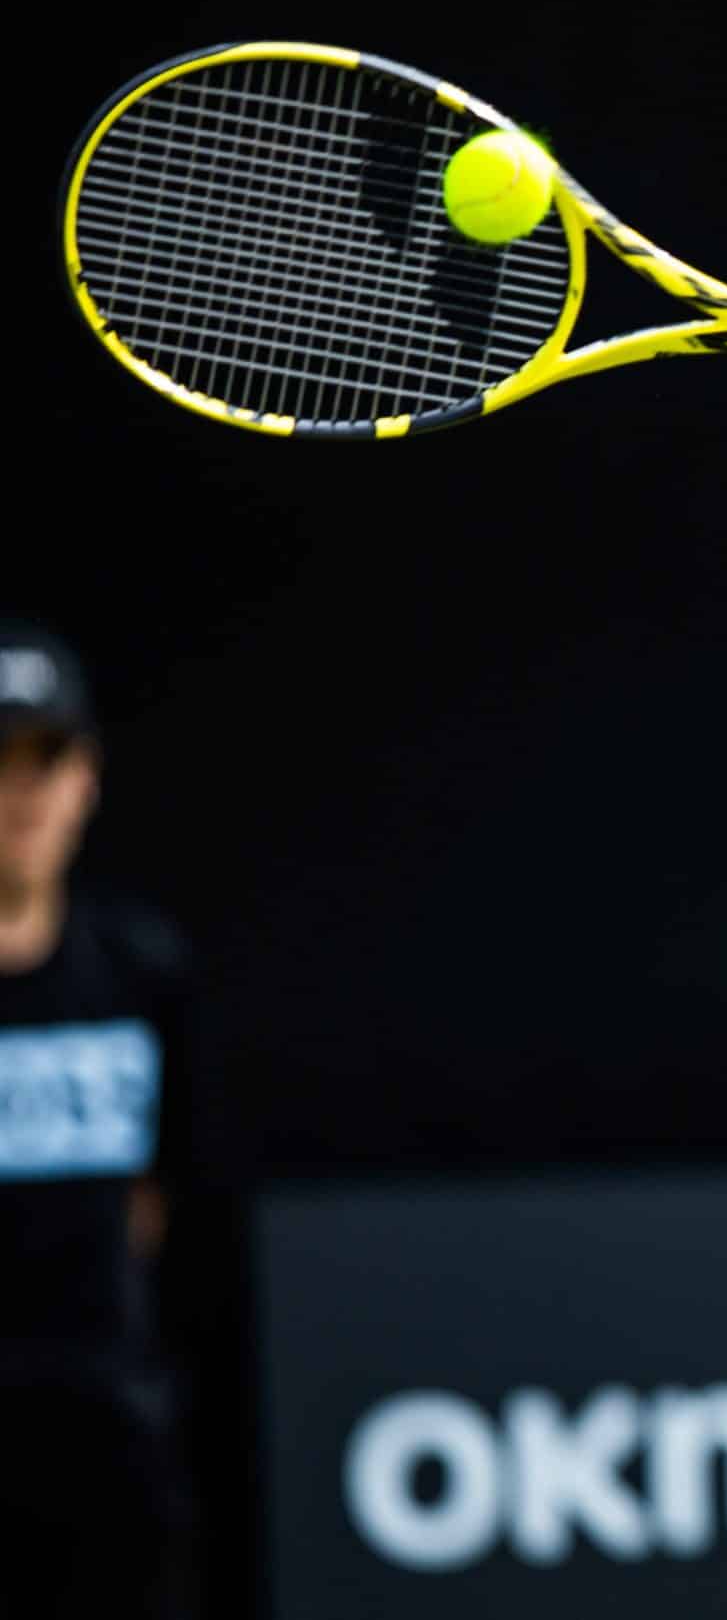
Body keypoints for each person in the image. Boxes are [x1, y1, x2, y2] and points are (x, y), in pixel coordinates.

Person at [0, 623, 208, 1620]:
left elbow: (166, 1193)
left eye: (44, 761)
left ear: (85, 778)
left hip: (107, 1439)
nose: (22, 795)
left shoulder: (139, 968)